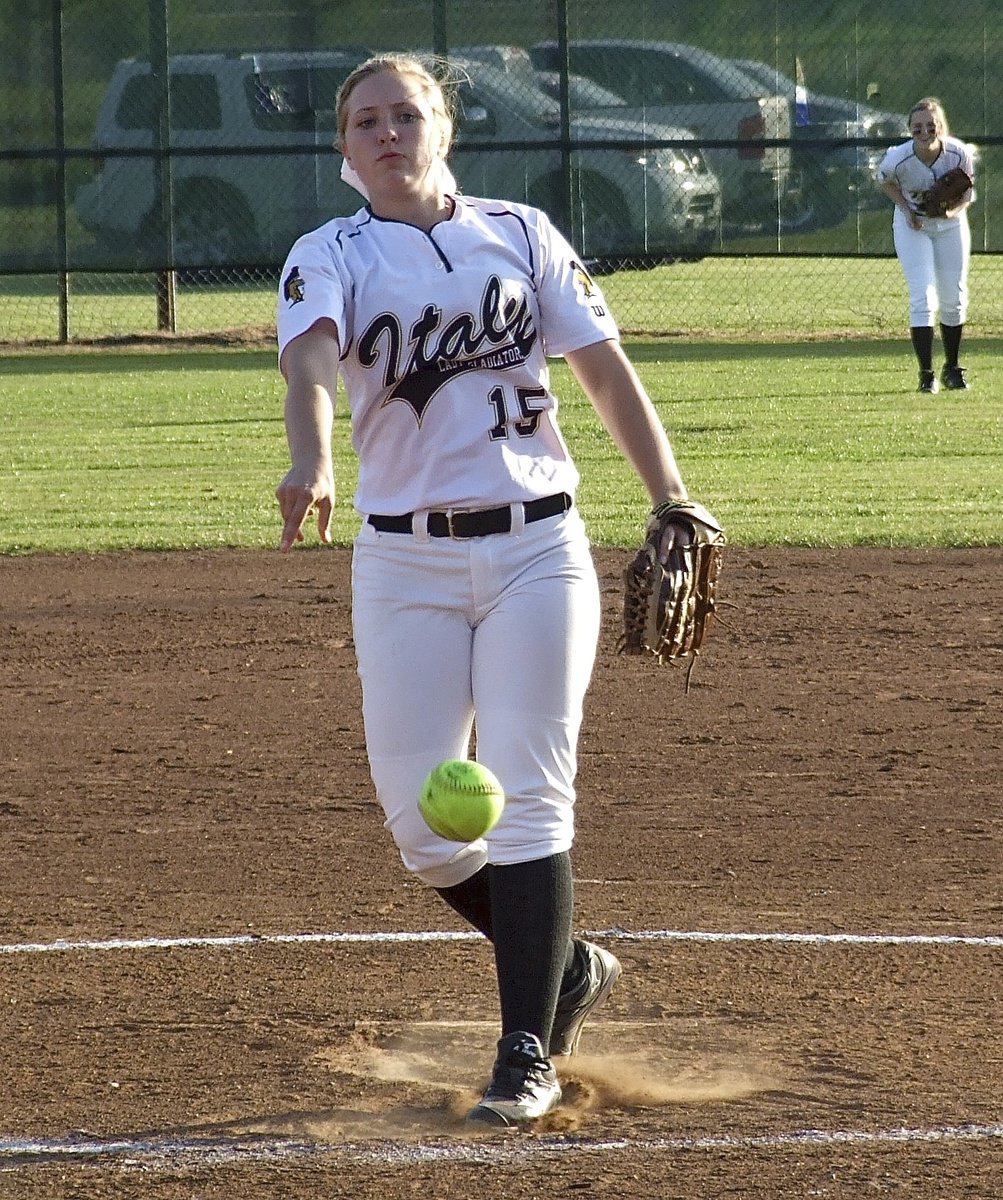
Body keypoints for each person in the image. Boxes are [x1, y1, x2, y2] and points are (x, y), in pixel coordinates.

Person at [274, 53, 712, 1127]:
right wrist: (313, 458)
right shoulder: (327, 252)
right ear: (343, 149)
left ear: (444, 129)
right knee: (426, 829)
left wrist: (671, 493)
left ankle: (524, 1049)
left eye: (407, 115)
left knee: (528, 789)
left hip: (537, 550)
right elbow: (313, 364)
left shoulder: (519, 232)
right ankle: (567, 967)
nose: (388, 134)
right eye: (366, 121)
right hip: (402, 558)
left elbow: (602, 368)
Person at [876, 97, 976, 393]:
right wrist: (907, 211)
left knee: (954, 296)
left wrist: (949, 212)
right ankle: (926, 374)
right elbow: (885, 181)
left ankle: (953, 369)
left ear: (940, 127)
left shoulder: (957, 154)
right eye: (917, 127)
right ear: (910, 129)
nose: (924, 131)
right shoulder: (897, 157)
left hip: (950, 225)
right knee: (922, 296)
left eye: (930, 125)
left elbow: (966, 196)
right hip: (913, 227)